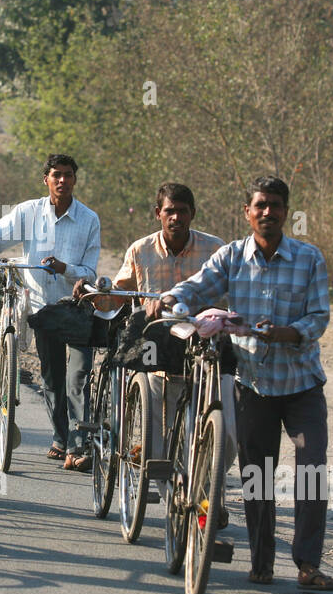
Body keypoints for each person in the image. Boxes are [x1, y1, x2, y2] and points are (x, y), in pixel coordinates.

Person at [148, 176, 333, 591]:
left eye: (275, 205)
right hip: (253, 384)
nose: (268, 212)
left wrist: (287, 333)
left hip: (302, 382)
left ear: (287, 212)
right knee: (258, 474)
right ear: (247, 213)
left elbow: (319, 318)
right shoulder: (231, 257)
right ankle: (262, 562)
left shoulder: (309, 259)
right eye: (260, 206)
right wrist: (168, 300)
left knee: (312, 468)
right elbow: (196, 288)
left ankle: (307, 564)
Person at [75, 182, 227, 468]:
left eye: (183, 212)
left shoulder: (215, 249)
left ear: (193, 214)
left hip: (201, 350)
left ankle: (200, 484)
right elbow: (118, 296)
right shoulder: (140, 251)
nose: (176, 218)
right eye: (170, 211)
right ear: (158, 213)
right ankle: (161, 473)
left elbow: (231, 297)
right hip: (157, 353)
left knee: (215, 430)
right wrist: (93, 294)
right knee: (158, 437)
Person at [0, 154, 100, 470]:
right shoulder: (29, 213)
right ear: (46, 179)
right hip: (43, 309)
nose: (62, 181)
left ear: (75, 179)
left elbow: (91, 272)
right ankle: (62, 440)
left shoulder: (89, 219)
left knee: (79, 375)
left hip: (78, 309)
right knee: (53, 377)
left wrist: (67, 269)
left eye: (68, 175)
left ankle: (79, 446)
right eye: (56, 175)